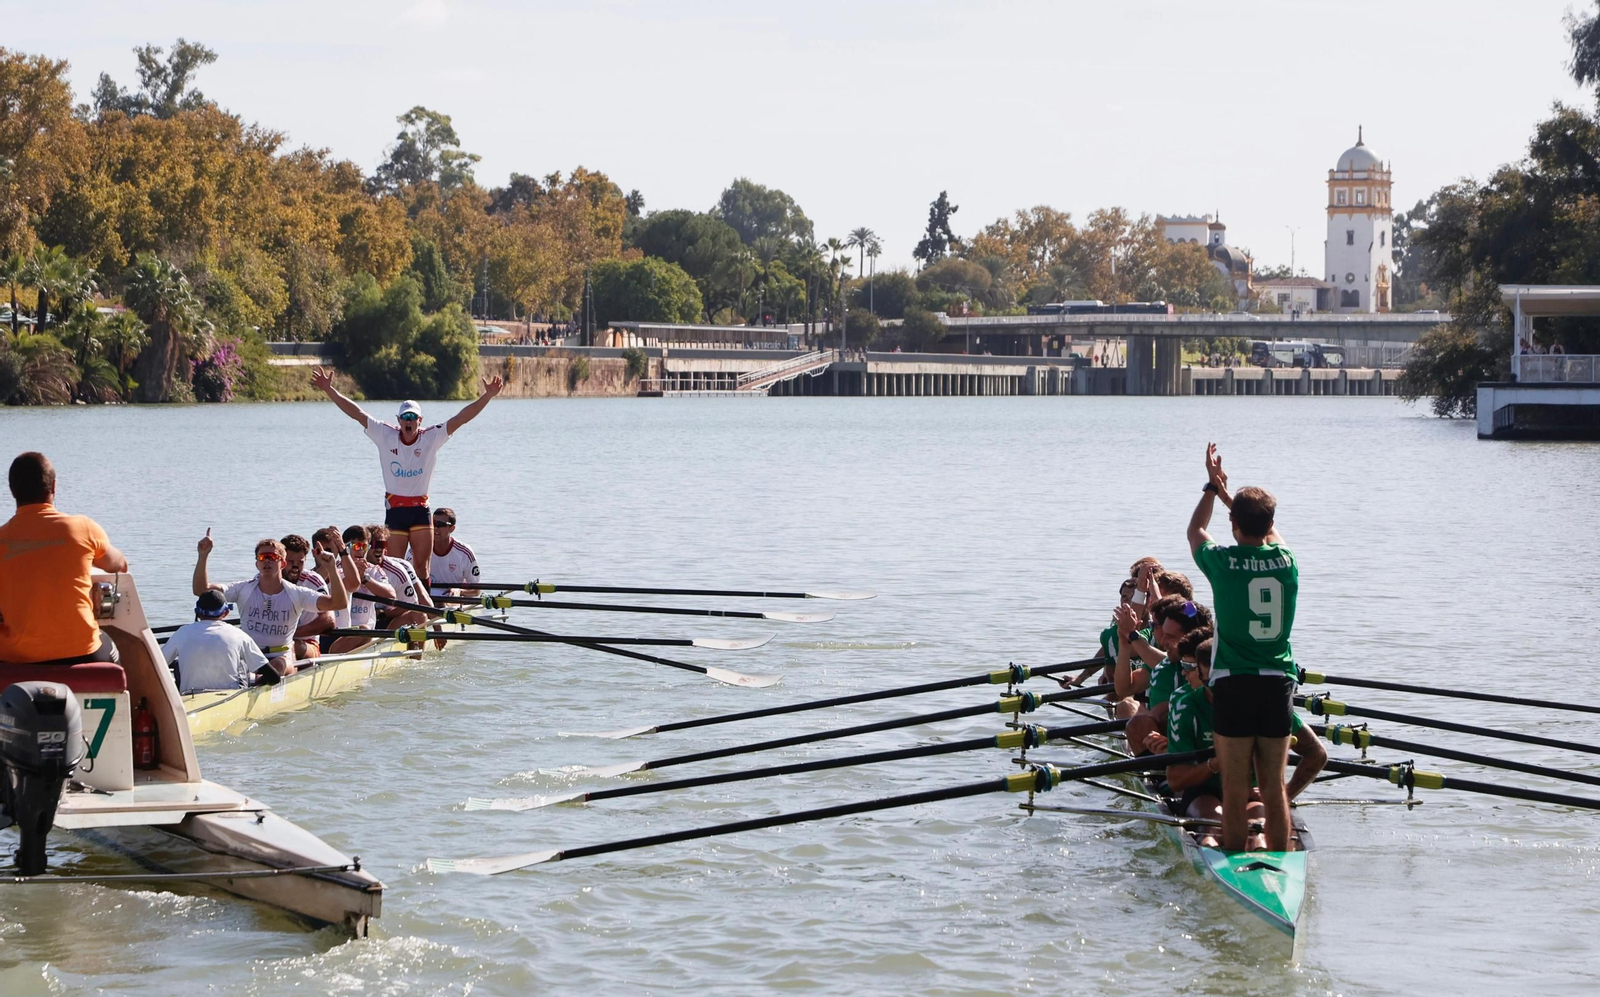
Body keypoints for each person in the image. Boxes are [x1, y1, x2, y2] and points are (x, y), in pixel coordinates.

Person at [1187, 443, 1298, 852]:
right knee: (1273, 789)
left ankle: (1235, 861)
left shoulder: (1222, 561)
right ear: (1270, 521)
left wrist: (1211, 488)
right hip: (1277, 684)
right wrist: (1231, 500)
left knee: (1235, 790)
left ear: (1233, 523)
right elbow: (1263, 527)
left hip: (1233, 684)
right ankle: (1280, 860)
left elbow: (1195, 531)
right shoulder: (1287, 560)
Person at [309, 366, 503, 589]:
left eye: (413, 418)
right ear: (399, 420)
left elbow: (461, 418)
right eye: (405, 418)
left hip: (420, 509)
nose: (408, 422)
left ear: (420, 420)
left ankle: (424, 608)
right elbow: (356, 413)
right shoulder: (385, 435)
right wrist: (329, 390)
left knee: (421, 566)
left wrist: (487, 396)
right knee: (395, 565)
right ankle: (396, 608)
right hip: (396, 510)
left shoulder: (431, 437)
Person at [0, 452, 129, 665]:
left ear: (12, 490)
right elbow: (118, 564)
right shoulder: (83, 527)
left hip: (19, 656)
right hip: (82, 650)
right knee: (117, 651)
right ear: (54, 487)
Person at [193, 532, 348, 684]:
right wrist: (203, 556)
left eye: (273, 557)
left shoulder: (297, 594)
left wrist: (332, 569)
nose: (267, 561)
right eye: (262, 557)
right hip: (249, 656)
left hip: (281, 657)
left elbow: (338, 603)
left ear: (283, 563)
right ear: (257, 564)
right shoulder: (243, 589)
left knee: (280, 664)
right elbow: (201, 590)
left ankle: (256, 686)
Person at [163, 590, 269, 692]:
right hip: (229, 698)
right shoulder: (238, 634)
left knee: (177, 664)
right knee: (241, 661)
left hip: (190, 697)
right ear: (226, 612)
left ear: (197, 613)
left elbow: (156, 664)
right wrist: (257, 685)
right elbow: (274, 676)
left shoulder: (182, 632)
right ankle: (252, 678)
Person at [328, 525, 396, 655]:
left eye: (364, 547)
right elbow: (350, 585)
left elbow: (391, 595)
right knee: (363, 630)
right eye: (357, 547)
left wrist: (365, 579)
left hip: (364, 634)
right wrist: (356, 577)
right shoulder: (335, 569)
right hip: (340, 634)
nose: (361, 552)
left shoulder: (374, 570)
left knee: (364, 629)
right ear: (346, 547)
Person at [364, 524, 431, 631]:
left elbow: (411, 605)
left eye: (382, 544)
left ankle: (417, 647)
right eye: (374, 544)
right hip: (360, 621)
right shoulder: (349, 567)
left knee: (418, 614)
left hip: (387, 621)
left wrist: (384, 613)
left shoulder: (397, 571)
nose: (378, 549)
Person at [281, 534, 332, 662]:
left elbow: (328, 620)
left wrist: (291, 635)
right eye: (291, 562)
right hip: (275, 642)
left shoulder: (313, 581)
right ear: (281, 561)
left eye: (300, 562)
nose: (295, 567)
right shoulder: (267, 579)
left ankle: (287, 676)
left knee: (291, 645)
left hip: (307, 643)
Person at [415, 507, 480, 599]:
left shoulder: (464, 553)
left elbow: (477, 590)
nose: (436, 528)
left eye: (441, 524)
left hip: (452, 598)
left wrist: (460, 591)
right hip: (426, 596)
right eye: (433, 524)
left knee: (441, 603)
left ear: (452, 528)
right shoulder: (417, 550)